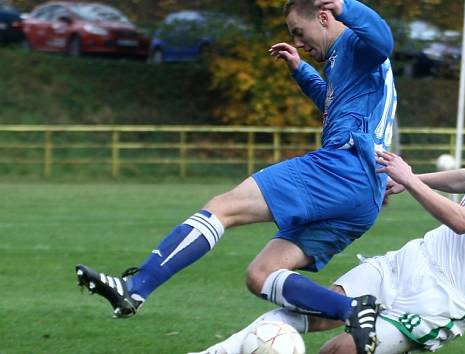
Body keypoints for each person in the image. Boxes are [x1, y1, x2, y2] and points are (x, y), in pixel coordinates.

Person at [76, 0, 395, 353]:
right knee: (261, 274)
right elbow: (337, 105)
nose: (300, 42)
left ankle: (136, 286)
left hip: (343, 167)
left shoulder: (355, 44)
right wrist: (301, 70)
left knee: (222, 207)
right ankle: (352, 309)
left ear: (324, 17)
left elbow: (384, 41)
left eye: (298, 33)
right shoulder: (343, 61)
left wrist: (347, 6)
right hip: (364, 194)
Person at [188, 89, 465, 354]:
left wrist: (410, 178)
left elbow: (463, 220)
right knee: (315, 308)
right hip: (406, 262)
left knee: (342, 349)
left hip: (438, 298)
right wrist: (407, 181)